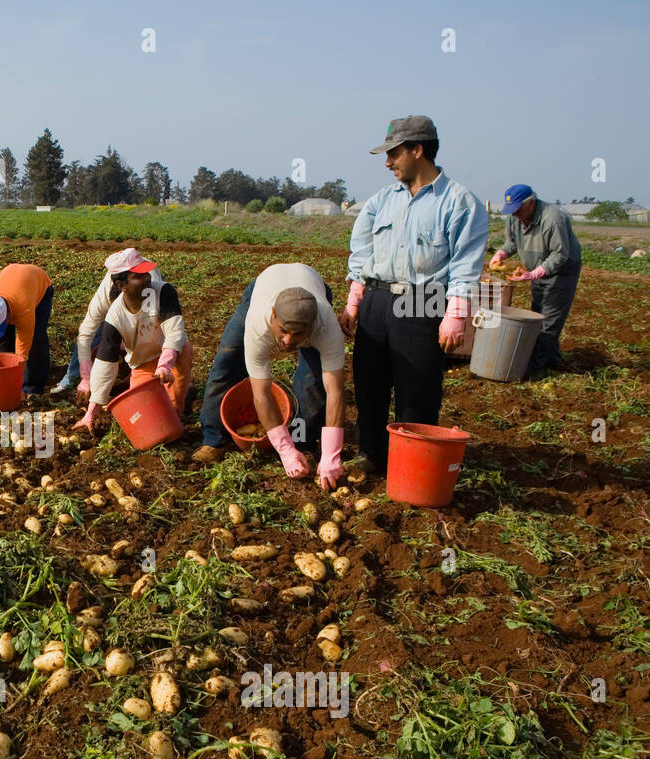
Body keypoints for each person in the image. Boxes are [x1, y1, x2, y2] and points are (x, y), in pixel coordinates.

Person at [342, 115, 489, 473]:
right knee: (369, 385)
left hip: (423, 299)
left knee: (417, 390)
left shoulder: (459, 202)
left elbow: (465, 264)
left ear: (418, 150)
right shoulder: (380, 201)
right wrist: (354, 301)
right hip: (378, 298)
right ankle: (371, 455)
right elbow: (362, 253)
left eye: (394, 154)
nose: (388, 163)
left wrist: (455, 314)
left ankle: (413, 464)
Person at [193, 264, 348, 490]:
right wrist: (284, 450)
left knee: (314, 381)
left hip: (314, 287)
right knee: (226, 362)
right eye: (283, 331)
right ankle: (213, 440)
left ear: (312, 325)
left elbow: (335, 391)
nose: (287, 342)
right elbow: (261, 393)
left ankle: (303, 442)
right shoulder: (259, 320)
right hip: (264, 285)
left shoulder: (326, 327)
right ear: (274, 314)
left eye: (298, 335)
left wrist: (332, 453)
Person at [72, 250, 192, 437]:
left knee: (172, 410)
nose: (147, 279)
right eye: (139, 276)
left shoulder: (163, 292)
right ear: (121, 285)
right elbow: (105, 364)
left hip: (173, 356)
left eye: (146, 274)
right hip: (142, 363)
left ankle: (176, 422)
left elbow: (175, 332)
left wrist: (165, 365)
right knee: (145, 417)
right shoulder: (114, 316)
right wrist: (91, 412)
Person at [487, 184, 582, 376]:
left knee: (549, 320)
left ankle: (533, 369)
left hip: (561, 272)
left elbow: (560, 255)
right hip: (537, 268)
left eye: (517, 210)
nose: (514, 215)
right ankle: (552, 360)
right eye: (511, 211)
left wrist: (534, 274)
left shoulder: (554, 219)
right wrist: (501, 254)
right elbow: (512, 242)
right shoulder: (515, 218)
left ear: (531, 203)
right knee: (538, 314)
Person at [51, 248, 164, 396]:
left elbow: (156, 332)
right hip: (116, 306)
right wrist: (86, 377)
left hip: (149, 318)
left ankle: (157, 380)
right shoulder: (104, 298)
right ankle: (70, 379)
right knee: (97, 333)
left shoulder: (151, 287)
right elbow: (85, 334)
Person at [0, 264, 54, 397]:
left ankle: (32, 388)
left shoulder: (24, 307)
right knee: (3, 341)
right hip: (11, 276)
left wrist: (17, 385)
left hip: (40, 283)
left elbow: (22, 351)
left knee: (36, 338)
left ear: (7, 314)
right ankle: (5, 380)